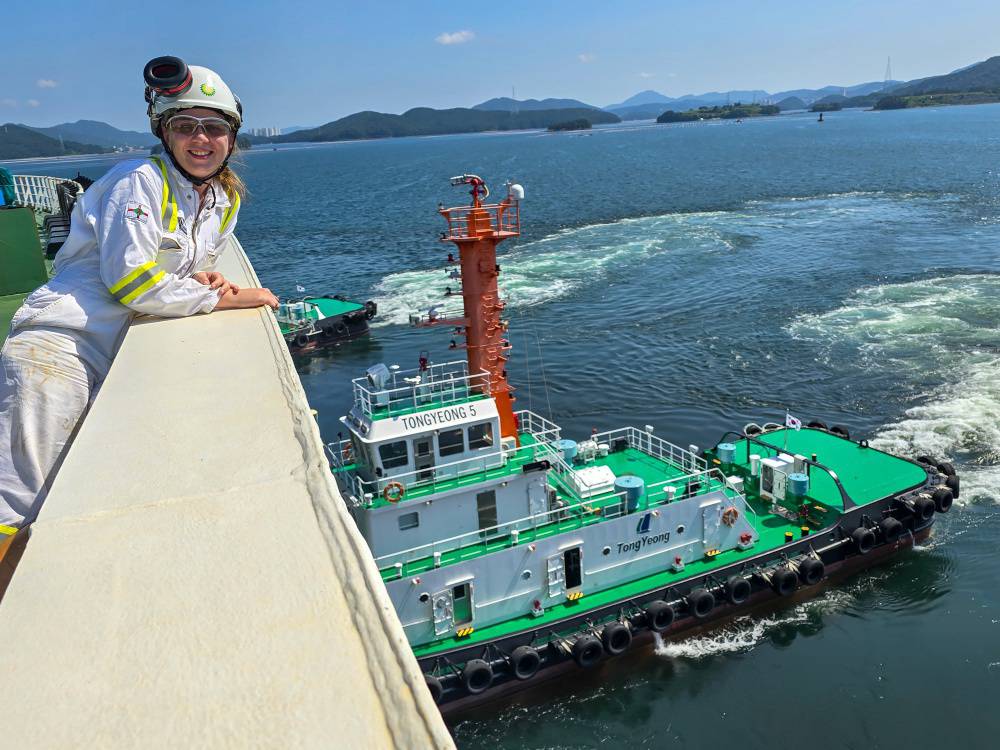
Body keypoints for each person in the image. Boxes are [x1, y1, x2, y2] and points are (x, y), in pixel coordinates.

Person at [0, 61, 278, 530]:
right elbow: (130, 281)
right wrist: (224, 299)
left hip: (110, 348)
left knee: (68, 494)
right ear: (164, 133)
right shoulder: (138, 180)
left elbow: (187, 264)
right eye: (185, 126)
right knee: (20, 507)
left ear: (232, 139)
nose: (201, 139)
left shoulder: (219, 202)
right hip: (60, 348)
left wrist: (203, 281)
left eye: (214, 127)